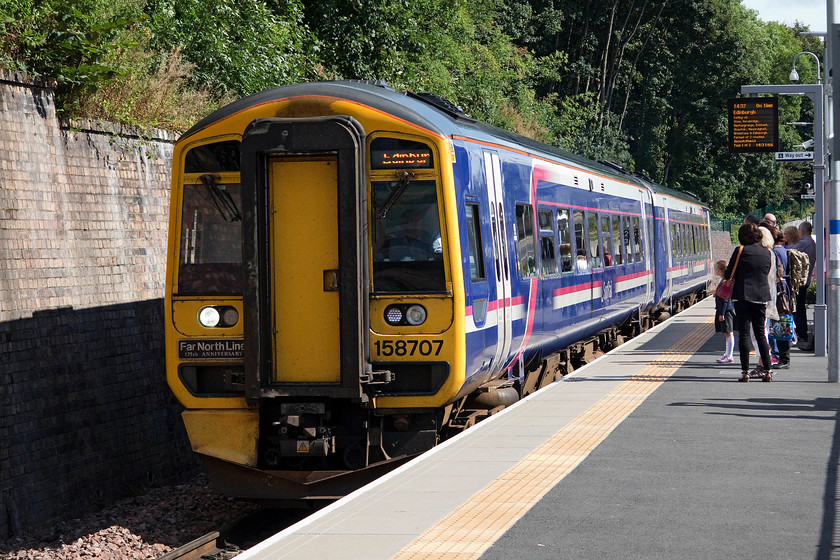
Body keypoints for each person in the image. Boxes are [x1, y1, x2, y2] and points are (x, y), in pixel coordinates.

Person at [725, 222, 773, 382]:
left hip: (742, 296)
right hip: (761, 297)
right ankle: (767, 372)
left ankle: (745, 372)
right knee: (760, 334)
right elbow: (765, 272)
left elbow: (727, 274)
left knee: (744, 334)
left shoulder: (740, 251)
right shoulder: (767, 253)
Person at [792, 221, 816, 350]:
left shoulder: (803, 243)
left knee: (798, 307)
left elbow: (789, 251)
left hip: (800, 281)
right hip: (805, 280)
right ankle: (802, 332)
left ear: (802, 231)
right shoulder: (811, 242)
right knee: (800, 307)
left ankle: (801, 333)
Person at [770, 227, 791, 369]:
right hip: (786, 290)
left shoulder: (774, 253)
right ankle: (783, 357)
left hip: (778, 291)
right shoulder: (785, 251)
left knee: (779, 323)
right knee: (784, 322)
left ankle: (781, 357)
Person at [713, 260, 736, 364]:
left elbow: (725, 299)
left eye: (715, 268)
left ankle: (729, 355)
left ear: (719, 270)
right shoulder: (723, 280)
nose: (714, 270)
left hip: (726, 311)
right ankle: (727, 354)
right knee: (727, 333)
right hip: (724, 310)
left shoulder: (725, 281)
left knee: (729, 333)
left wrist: (721, 313)